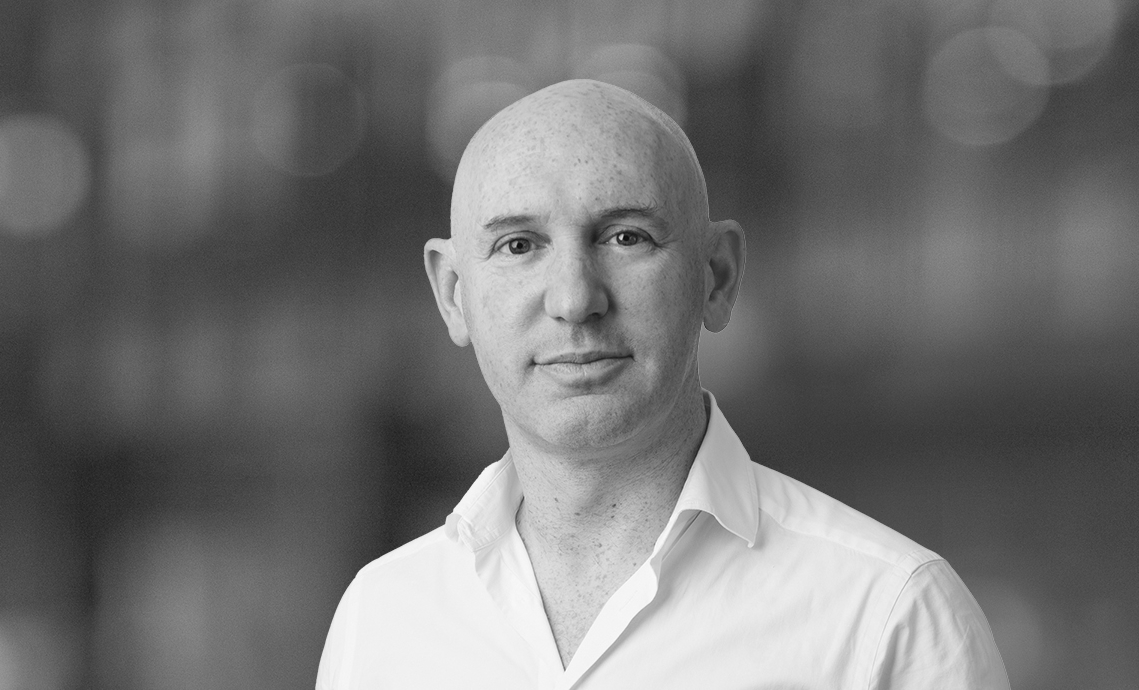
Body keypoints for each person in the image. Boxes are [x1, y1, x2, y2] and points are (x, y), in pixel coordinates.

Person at [316, 79, 1010, 689]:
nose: (575, 299)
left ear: (717, 277)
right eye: (519, 246)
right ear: (453, 294)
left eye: (626, 237)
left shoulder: (889, 617)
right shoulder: (381, 618)